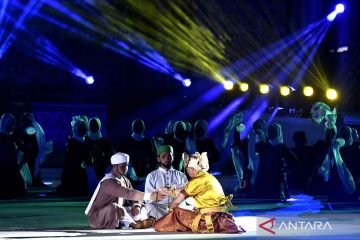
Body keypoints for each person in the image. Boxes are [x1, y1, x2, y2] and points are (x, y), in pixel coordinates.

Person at [154, 152, 245, 233]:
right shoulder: (209, 177)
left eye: (188, 168)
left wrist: (168, 210)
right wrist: (169, 191)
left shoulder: (196, 181)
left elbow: (176, 202)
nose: (187, 171)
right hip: (219, 218)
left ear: (192, 169)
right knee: (189, 208)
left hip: (207, 221)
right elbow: (185, 190)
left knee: (174, 214)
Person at [85, 152, 166, 229]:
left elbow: (134, 197)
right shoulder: (108, 182)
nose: (125, 168)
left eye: (127, 165)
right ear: (114, 166)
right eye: (122, 166)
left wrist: (136, 206)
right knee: (115, 207)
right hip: (99, 217)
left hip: (119, 211)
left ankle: (138, 221)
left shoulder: (124, 179)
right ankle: (134, 225)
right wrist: (150, 196)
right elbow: (128, 193)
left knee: (143, 206)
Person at [145, 145, 188, 220]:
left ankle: (166, 221)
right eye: (163, 156)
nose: (166, 158)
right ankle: (170, 220)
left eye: (169, 156)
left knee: (189, 205)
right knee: (149, 206)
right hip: (160, 208)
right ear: (158, 159)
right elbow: (148, 198)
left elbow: (187, 193)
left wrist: (167, 191)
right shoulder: (152, 176)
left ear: (173, 157)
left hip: (177, 207)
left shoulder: (181, 175)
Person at [0, 113, 26, 198]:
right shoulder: (3, 136)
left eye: (13, 124)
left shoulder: (14, 136)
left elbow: (22, 149)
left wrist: (20, 163)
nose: (12, 126)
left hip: (12, 164)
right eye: (10, 124)